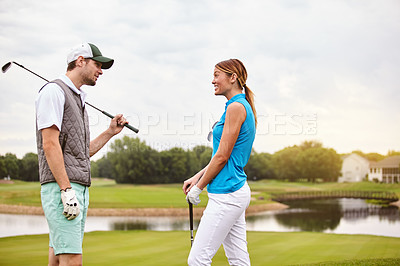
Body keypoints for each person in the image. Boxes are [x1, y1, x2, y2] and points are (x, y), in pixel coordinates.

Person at [35, 43, 129, 266]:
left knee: (58, 259)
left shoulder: (78, 99)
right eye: (97, 64)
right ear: (80, 61)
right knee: (72, 260)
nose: (101, 70)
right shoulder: (54, 91)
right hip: (63, 188)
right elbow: (49, 144)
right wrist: (66, 190)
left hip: (76, 188)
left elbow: (81, 153)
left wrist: (109, 132)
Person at [183, 59, 257, 266]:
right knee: (238, 258)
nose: (212, 80)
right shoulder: (237, 106)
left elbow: (222, 157)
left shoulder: (236, 107)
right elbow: (223, 156)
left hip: (227, 194)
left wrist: (199, 187)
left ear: (233, 77)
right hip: (234, 191)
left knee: (197, 260)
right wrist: (196, 177)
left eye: (217, 75)